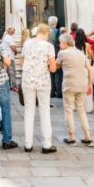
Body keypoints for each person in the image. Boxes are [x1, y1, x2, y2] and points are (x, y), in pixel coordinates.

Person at [20, 23, 56, 153]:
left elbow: (21, 62)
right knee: (44, 111)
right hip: (43, 82)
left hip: (28, 81)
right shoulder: (49, 46)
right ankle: (47, 144)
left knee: (29, 112)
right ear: (46, 33)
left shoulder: (27, 43)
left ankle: (28, 144)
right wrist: (47, 63)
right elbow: (53, 68)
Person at [57, 33, 93, 147]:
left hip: (69, 85)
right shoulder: (80, 53)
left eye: (60, 43)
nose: (59, 45)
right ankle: (88, 135)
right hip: (82, 84)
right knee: (81, 109)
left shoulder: (62, 53)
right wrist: (89, 84)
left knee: (68, 109)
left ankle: (71, 137)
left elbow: (55, 66)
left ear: (65, 43)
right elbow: (89, 69)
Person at [47, 16, 61, 98]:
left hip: (48, 55)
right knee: (58, 74)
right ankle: (59, 92)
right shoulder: (57, 31)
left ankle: (52, 92)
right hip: (56, 53)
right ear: (55, 23)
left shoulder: (46, 32)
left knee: (50, 74)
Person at [1, 25, 18, 90]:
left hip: (6, 57)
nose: (14, 31)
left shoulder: (6, 37)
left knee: (8, 72)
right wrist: (16, 51)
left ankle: (9, 85)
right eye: (13, 30)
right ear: (9, 30)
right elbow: (12, 47)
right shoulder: (9, 38)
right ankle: (14, 86)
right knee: (12, 72)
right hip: (10, 57)